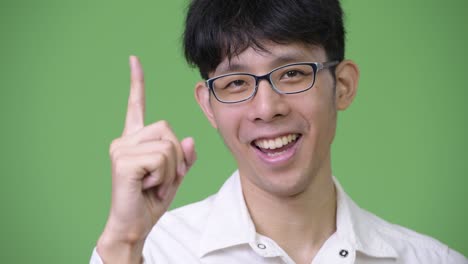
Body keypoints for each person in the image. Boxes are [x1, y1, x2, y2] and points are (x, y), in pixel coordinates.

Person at [90, 0, 467, 263]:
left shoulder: (432, 260)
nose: (267, 108)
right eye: (236, 83)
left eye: (292, 74)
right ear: (208, 105)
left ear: (344, 85)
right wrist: (124, 242)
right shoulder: (151, 254)